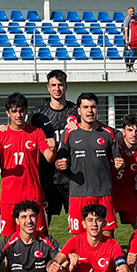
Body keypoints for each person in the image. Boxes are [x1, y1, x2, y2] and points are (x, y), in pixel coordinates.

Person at [0, 93, 54, 238]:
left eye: (21, 111)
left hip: (33, 195)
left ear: (26, 111)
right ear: (8, 113)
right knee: (9, 240)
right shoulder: (0, 135)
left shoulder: (36, 132)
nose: (18, 115)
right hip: (9, 197)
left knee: (39, 238)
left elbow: (49, 158)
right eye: (14, 111)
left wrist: (53, 149)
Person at [55, 93, 122, 237]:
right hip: (78, 194)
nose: (90, 111)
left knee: (107, 237)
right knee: (79, 239)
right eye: (85, 107)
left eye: (93, 107)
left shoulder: (108, 133)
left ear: (97, 109)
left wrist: (119, 163)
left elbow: (118, 159)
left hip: (103, 193)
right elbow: (59, 160)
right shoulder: (69, 132)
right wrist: (59, 164)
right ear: (79, 111)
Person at [30, 70, 79, 228]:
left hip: (73, 178)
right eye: (53, 85)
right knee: (41, 226)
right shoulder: (38, 114)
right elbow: (24, 133)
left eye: (60, 85)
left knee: (79, 226)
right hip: (47, 178)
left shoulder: (77, 111)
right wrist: (3, 128)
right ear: (48, 87)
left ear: (66, 86)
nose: (57, 88)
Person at [122, 6, 137, 72]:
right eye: (131, 11)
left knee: (135, 52)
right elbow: (126, 29)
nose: (132, 13)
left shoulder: (136, 18)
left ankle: (131, 65)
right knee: (127, 52)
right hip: (128, 38)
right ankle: (127, 66)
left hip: (134, 38)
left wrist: (135, 23)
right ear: (128, 12)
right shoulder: (127, 19)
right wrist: (127, 39)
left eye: (133, 11)